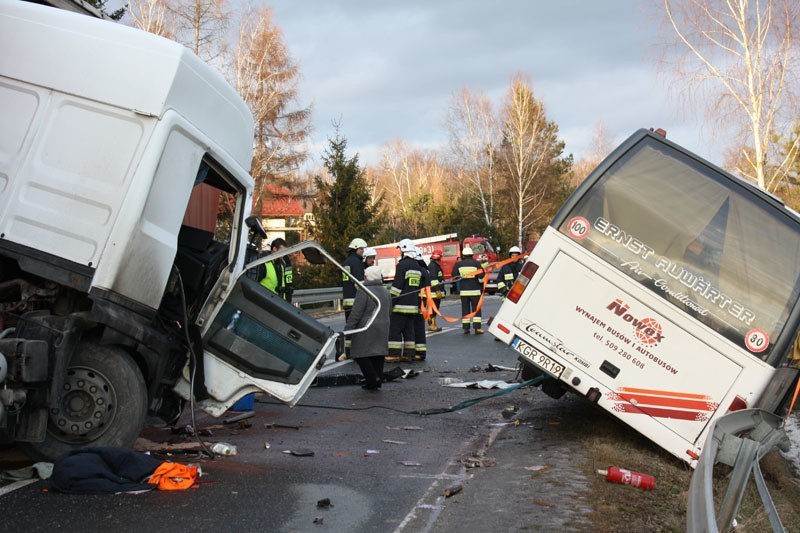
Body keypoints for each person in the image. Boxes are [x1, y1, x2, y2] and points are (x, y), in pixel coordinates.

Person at [344, 265, 391, 390]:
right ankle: (377, 379)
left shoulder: (364, 291)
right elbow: (389, 311)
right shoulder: (385, 291)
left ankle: (372, 378)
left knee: (360, 354)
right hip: (383, 326)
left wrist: (348, 329)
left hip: (366, 327)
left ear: (367, 277)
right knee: (378, 354)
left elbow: (356, 313)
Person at [387, 239, 422, 362]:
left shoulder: (402, 265)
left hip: (400, 306)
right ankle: (409, 354)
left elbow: (397, 287)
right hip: (412, 306)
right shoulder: (417, 266)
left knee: (395, 330)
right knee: (409, 332)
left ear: (403, 250)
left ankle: (394, 354)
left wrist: (391, 302)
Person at [341, 238, 367, 358]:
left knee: (349, 327)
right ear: (356, 248)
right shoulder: (356, 262)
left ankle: (349, 352)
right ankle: (357, 352)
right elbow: (359, 283)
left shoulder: (347, 261)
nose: (363, 252)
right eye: (361, 249)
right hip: (355, 300)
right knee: (358, 328)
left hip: (347, 299)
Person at [451, 246, 484, 334]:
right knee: (476, 310)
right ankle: (477, 328)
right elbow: (481, 278)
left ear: (463, 255)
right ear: (472, 254)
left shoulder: (459, 264)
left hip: (464, 291)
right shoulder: (476, 263)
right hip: (475, 291)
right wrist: (480, 284)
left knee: (465, 309)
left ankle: (466, 328)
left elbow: (454, 276)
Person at [412, 246, 430, 361]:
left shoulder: (416, 269)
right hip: (423, 303)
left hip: (416, 303)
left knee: (414, 328)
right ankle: (421, 352)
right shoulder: (425, 270)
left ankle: (415, 352)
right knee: (419, 328)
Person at [426, 251, 445, 332]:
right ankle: (432, 325)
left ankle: (433, 324)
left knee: (434, 309)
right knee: (433, 309)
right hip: (433, 292)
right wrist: (437, 290)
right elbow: (433, 280)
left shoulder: (434, 266)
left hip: (434, 292)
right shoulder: (433, 266)